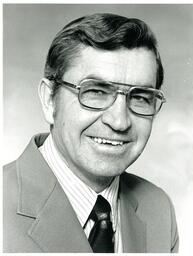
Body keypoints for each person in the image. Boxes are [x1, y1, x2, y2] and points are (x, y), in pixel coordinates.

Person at [3, 13, 179, 253]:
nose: (119, 122)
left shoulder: (159, 208)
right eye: (95, 91)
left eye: (139, 97)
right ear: (49, 100)